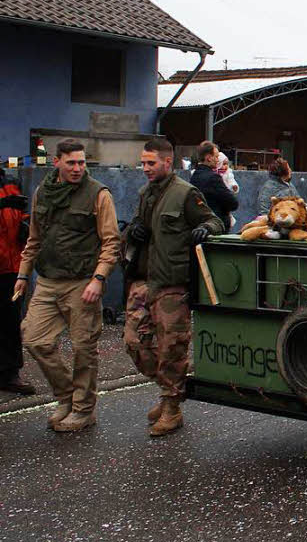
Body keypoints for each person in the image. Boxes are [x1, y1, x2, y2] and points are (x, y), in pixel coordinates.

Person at [16, 139, 120, 431]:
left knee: (84, 349)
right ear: (57, 162)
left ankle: (84, 409)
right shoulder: (43, 193)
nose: (77, 168)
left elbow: (111, 242)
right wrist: (24, 275)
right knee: (35, 339)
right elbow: (34, 238)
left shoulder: (97, 194)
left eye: (82, 162)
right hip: (48, 281)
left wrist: (99, 278)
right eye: (71, 162)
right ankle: (66, 397)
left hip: (82, 282)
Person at [122, 138, 223, 436]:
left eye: (151, 163)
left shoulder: (185, 193)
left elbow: (214, 222)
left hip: (172, 284)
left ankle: (171, 407)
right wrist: (132, 231)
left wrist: (204, 229)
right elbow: (133, 231)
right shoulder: (145, 194)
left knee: (172, 348)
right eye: (143, 163)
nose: (145, 168)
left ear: (168, 162)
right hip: (144, 281)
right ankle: (170, 390)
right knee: (134, 343)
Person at [0, 169, 33, 394]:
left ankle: (10, 373)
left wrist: (25, 224)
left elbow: (20, 213)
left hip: (11, 263)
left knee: (10, 320)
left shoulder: (9, 181)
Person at [189, 141, 238, 233]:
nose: (217, 160)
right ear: (208, 158)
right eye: (216, 157)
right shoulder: (213, 178)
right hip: (215, 228)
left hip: (200, 226)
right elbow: (233, 203)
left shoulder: (194, 176)